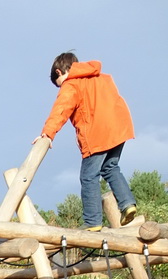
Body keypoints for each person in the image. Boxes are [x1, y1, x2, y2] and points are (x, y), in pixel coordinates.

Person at [33, 52, 136, 230]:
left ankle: (92, 222)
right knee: (110, 167)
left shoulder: (71, 83)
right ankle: (128, 204)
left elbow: (61, 110)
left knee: (88, 176)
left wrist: (47, 134)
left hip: (97, 133)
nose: (60, 88)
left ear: (59, 72)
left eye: (58, 84)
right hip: (119, 129)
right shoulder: (102, 78)